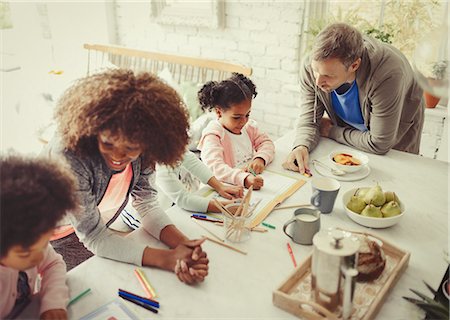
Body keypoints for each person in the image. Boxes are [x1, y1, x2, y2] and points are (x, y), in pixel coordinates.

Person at [43, 69, 208, 284]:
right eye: (108, 143)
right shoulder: (69, 155)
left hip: (90, 227)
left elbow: (147, 204)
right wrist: (167, 259)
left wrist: (184, 246)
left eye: (131, 148)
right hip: (46, 235)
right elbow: (94, 236)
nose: (118, 156)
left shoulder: (146, 149)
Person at [283, 23, 424, 175]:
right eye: (316, 71)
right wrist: (301, 146)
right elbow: (310, 120)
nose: (317, 82)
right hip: (351, 136)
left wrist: (331, 131)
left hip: (394, 132)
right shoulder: (312, 67)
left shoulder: (388, 74)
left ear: (354, 65)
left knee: (391, 178)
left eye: (328, 76)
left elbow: (379, 143)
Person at [1, 155, 78, 320]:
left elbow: (53, 264)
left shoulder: (28, 240)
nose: (39, 257)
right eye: (25, 254)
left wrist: (53, 302)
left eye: (44, 245)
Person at [197, 73, 275, 190]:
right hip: (220, 189)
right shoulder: (213, 135)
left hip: (245, 185)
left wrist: (260, 158)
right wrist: (243, 179)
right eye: (237, 117)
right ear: (218, 112)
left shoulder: (249, 127)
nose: (243, 121)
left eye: (247, 115)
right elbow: (215, 168)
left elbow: (266, 143)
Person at [156, 150, 243, 213]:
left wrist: (220, 186)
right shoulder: (159, 167)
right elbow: (183, 199)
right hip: (163, 208)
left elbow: (189, 159)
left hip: (176, 203)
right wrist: (224, 207)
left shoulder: (172, 145)